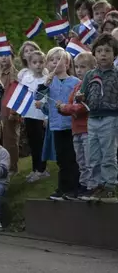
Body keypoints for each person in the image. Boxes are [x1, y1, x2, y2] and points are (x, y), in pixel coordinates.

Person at [35, 48, 80, 200]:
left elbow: (79, 101)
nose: (55, 62)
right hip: (56, 126)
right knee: (61, 159)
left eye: (59, 59)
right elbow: (37, 96)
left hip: (72, 125)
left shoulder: (75, 82)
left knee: (73, 158)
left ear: (67, 64)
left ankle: (75, 189)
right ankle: (63, 188)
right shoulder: (48, 82)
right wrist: (45, 85)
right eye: (52, 59)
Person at [77, 34, 118, 202]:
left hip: (110, 118)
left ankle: (110, 185)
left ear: (114, 54)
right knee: (93, 155)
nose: (103, 54)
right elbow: (83, 94)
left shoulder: (116, 75)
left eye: (107, 51)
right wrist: (80, 97)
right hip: (92, 119)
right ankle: (97, 185)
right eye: (99, 51)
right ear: (94, 54)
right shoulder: (89, 75)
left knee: (108, 154)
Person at [58, 52, 96, 197]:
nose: (79, 70)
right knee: (80, 160)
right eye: (77, 67)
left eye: (83, 67)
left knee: (89, 159)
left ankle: (92, 186)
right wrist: (61, 108)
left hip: (87, 129)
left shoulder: (91, 85)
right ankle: (84, 185)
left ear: (92, 68)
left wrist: (66, 108)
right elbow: (71, 102)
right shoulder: (77, 86)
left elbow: (82, 106)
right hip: (76, 129)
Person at [18, 50, 49, 183]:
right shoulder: (26, 79)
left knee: (40, 143)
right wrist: (21, 113)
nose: (38, 65)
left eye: (41, 62)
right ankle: (35, 168)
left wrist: (47, 117)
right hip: (29, 115)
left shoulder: (46, 80)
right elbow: (22, 97)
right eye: (34, 62)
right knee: (32, 143)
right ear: (29, 64)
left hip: (41, 116)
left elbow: (47, 99)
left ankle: (42, 169)